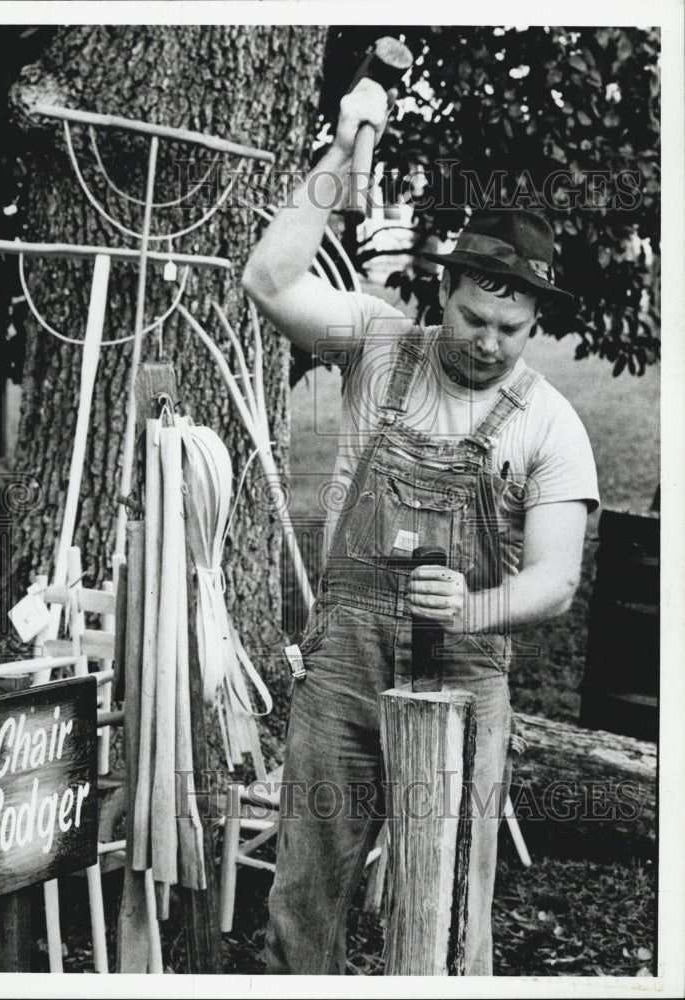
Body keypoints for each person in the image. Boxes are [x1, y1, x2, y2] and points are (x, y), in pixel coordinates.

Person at [242, 78, 600, 976]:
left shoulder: (549, 424)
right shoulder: (377, 343)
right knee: (302, 901)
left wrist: (474, 608)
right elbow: (268, 279)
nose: (488, 342)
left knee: (442, 916)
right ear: (446, 294)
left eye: (511, 329)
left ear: (534, 323)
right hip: (346, 667)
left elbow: (556, 580)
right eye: (475, 319)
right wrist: (339, 154)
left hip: (464, 682)